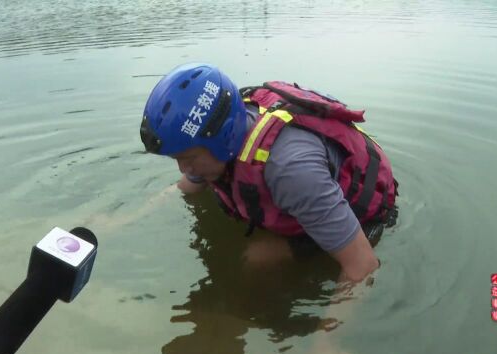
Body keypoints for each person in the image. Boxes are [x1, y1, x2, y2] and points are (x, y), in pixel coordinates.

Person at [139, 63, 398, 284]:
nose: (184, 169)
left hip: (362, 213)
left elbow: (363, 266)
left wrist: (326, 341)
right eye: (177, 159)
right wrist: (127, 217)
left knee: (256, 259)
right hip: (301, 186)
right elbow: (187, 187)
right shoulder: (212, 142)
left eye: (187, 159)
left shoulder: (291, 172)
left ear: (223, 140)